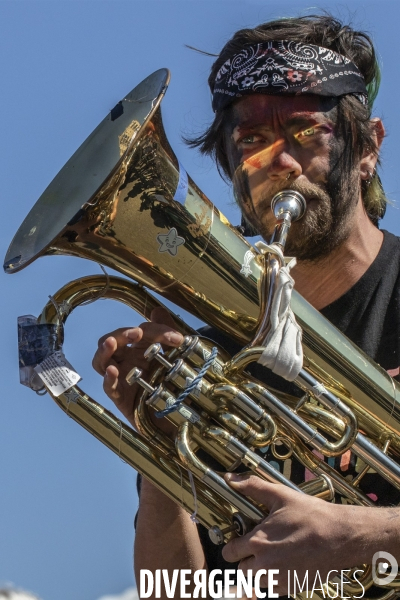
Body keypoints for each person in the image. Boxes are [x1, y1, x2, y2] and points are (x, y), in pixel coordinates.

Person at [92, 13, 400, 598]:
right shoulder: (207, 362)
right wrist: (162, 462)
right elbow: (171, 593)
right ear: (231, 171)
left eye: (307, 132)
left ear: (368, 149)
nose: (280, 163)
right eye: (252, 141)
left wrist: (363, 534)